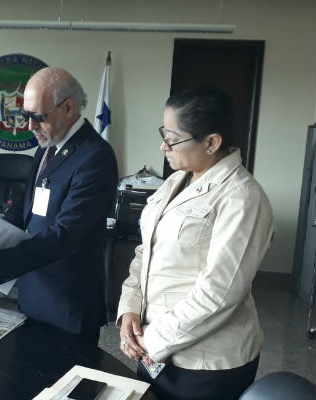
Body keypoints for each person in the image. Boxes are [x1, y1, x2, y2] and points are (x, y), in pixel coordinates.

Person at [117, 88, 274, 400]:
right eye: (164, 134)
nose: (163, 146)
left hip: (205, 363)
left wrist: (154, 339)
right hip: (152, 346)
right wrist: (130, 309)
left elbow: (221, 291)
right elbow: (145, 251)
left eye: (173, 138)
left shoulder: (242, 197)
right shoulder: (178, 180)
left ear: (212, 142)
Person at [0, 67, 118, 341]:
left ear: (68, 108)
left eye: (38, 117)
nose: (29, 126)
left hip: (68, 302)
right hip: (33, 293)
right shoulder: (46, 147)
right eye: (26, 115)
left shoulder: (94, 156)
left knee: (67, 381)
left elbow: (65, 236)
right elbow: (23, 209)